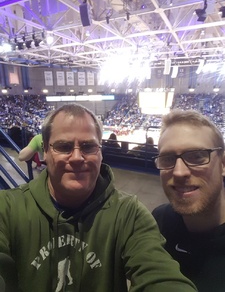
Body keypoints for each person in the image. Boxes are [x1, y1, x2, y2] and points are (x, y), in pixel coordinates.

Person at [0, 104, 197, 292]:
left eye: (88, 147)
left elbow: (159, 275)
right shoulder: (7, 209)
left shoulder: (129, 214)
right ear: (46, 152)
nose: (77, 157)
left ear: (100, 153)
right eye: (64, 146)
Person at [152, 109, 225, 292]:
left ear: (223, 164)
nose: (179, 172)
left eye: (197, 156)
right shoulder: (159, 220)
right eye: (168, 159)